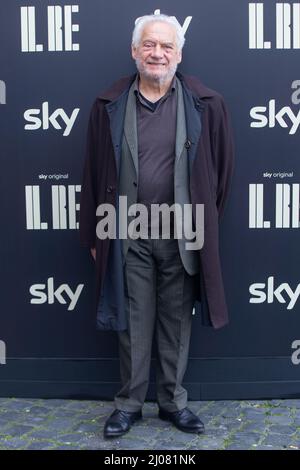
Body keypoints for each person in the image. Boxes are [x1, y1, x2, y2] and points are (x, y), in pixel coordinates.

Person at [79, 13, 235, 439]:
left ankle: (172, 403)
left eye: (166, 46)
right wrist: (95, 233)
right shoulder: (108, 105)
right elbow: (93, 173)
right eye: (149, 44)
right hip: (126, 230)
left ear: (179, 54)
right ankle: (129, 404)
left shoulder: (207, 104)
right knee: (132, 321)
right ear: (134, 51)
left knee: (176, 322)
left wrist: (201, 224)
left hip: (182, 233)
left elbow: (220, 174)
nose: (157, 53)